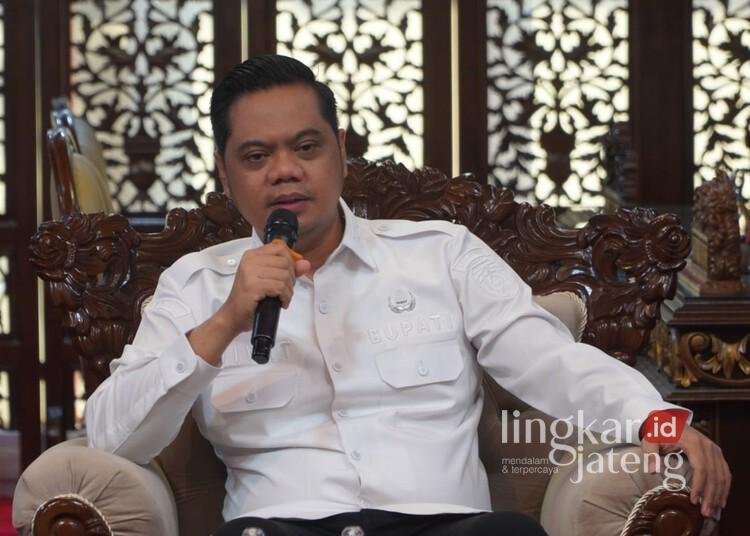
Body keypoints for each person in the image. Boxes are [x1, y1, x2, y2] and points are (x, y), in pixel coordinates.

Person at [85, 55, 730, 536]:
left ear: (341, 151)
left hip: (448, 525)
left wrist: (662, 422)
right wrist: (225, 320)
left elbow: (551, 361)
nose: (284, 171)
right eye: (256, 157)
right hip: (279, 527)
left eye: (306, 147)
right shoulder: (194, 284)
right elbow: (114, 438)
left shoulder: (441, 254)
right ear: (225, 174)